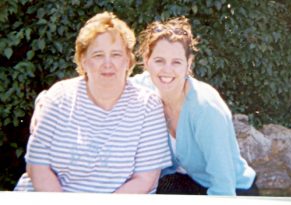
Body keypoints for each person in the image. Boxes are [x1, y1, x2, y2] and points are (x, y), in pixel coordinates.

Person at [14, 11, 172, 193]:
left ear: (128, 61)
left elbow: (144, 179)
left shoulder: (148, 106)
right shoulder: (59, 97)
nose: (107, 63)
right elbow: (37, 165)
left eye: (116, 54)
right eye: (98, 55)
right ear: (83, 60)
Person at [131, 16, 257, 195]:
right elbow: (110, 85)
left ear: (188, 63)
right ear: (146, 61)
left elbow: (224, 187)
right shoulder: (146, 86)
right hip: (189, 180)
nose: (167, 70)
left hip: (232, 190)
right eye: (159, 60)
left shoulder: (205, 108)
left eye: (176, 62)